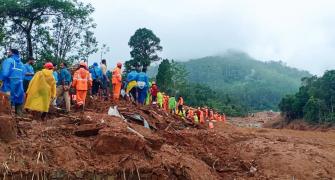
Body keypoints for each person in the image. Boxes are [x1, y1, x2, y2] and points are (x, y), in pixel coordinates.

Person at [0, 49, 25, 116]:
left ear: (12, 53)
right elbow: (23, 74)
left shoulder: (8, 61)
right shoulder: (21, 63)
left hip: (9, 83)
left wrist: (1, 79)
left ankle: (8, 116)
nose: (8, 53)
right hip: (19, 84)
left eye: (9, 52)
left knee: (7, 97)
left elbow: (5, 73)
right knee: (19, 98)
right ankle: (19, 114)